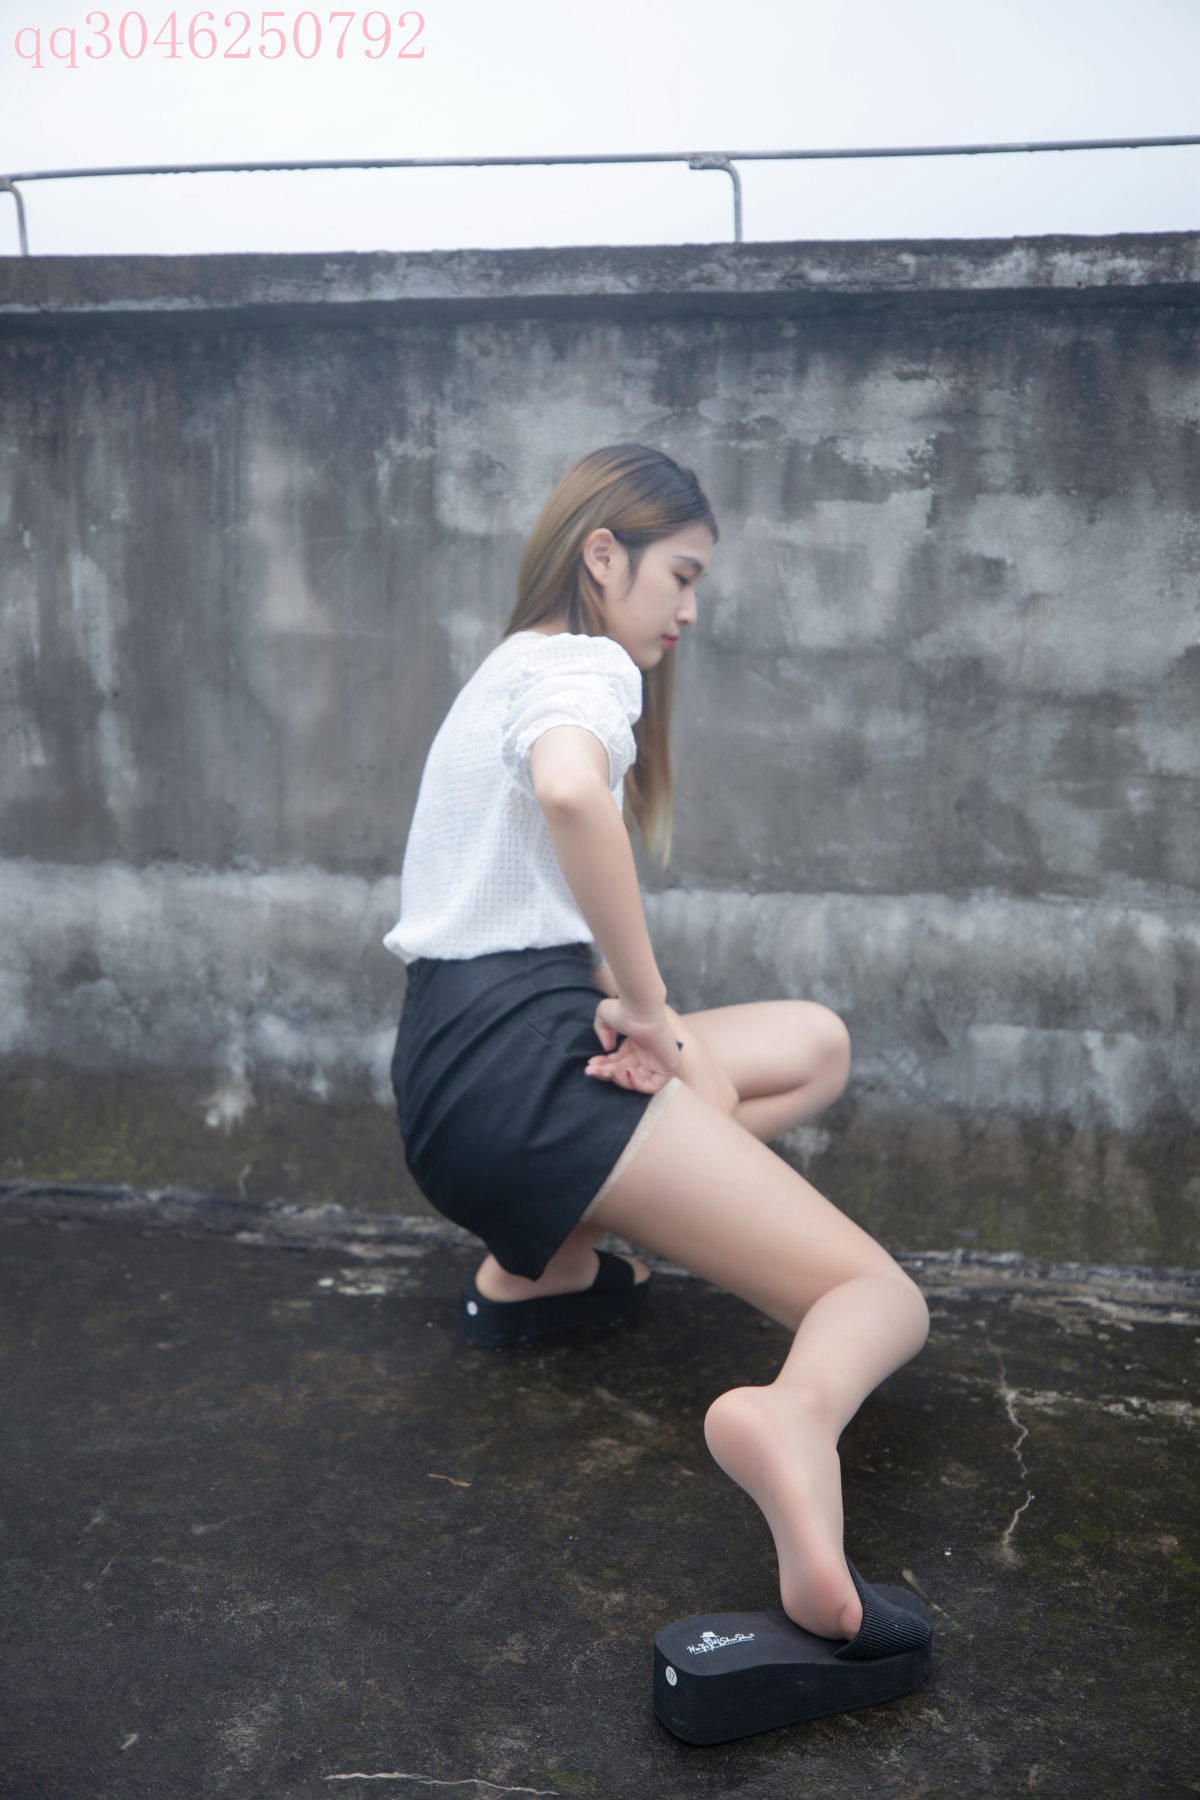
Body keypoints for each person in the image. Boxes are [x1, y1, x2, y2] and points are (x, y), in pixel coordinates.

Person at [383, 442, 931, 1656]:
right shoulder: (580, 664)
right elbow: (573, 792)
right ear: (603, 555)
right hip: (537, 1073)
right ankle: (794, 1420)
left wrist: (655, 1034)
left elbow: (526, 880)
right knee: (876, 1298)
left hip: (449, 1086)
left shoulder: (505, 667)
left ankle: (539, 1272)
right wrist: (646, 1002)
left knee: (812, 1046)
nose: (688, 610)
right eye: (680, 575)